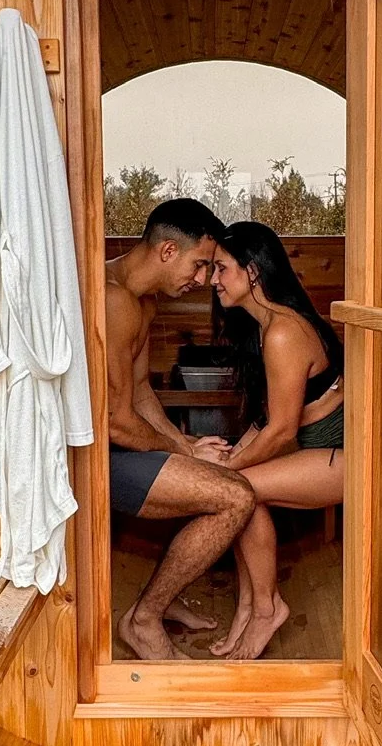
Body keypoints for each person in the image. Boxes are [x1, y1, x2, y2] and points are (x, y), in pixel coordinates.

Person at [105, 199, 256, 660]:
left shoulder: (141, 300)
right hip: (90, 456)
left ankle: (162, 599)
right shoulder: (111, 300)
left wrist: (183, 442)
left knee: (224, 479)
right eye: (201, 264)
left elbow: (140, 393)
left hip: (119, 443)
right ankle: (142, 620)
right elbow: (114, 421)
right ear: (168, 250)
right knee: (236, 497)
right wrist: (185, 455)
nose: (205, 278)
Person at [196, 220, 345, 660]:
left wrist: (227, 468)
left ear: (253, 272)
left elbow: (281, 431)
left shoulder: (282, 332)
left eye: (222, 269)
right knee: (233, 489)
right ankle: (249, 607)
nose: (212, 280)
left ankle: (267, 608)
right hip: (312, 452)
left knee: (239, 490)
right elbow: (266, 421)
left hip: (344, 456)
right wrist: (229, 454)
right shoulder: (265, 327)